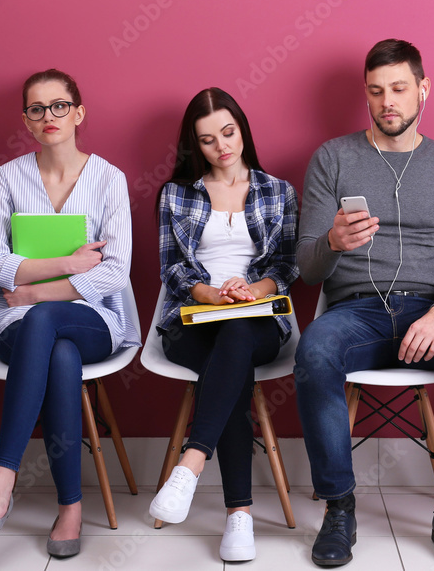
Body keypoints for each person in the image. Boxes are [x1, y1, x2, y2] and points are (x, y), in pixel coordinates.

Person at [295, 39, 434, 569]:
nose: (387, 102)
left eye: (398, 89)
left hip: (431, 311)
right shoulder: (332, 157)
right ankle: (339, 507)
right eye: (376, 92)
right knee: (314, 353)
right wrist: (333, 242)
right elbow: (307, 269)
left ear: (422, 89)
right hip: (357, 312)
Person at [0, 69, 137, 559]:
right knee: (59, 357)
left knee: (46, 321)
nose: (49, 117)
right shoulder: (9, 177)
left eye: (59, 106)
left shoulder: (109, 179)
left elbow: (115, 275)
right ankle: (71, 507)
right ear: (26, 121)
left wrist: (39, 290)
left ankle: (3, 476)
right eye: (37, 109)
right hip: (15, 324)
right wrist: (67, 263)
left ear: (78, 112)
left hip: (93, 319)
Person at [147, 87, 299, 561]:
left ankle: (190, 464)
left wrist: (253, 290)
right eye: (208, 140)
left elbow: (287, 264)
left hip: (257, 316)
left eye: (228, 133)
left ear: (242, 130)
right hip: (193, 317)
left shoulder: (279, 191)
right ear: (195, 145)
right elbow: (171, 267)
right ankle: (240, 517)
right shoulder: (176, 194)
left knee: (235, 337)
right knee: (229, 363)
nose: (222, 147)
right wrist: (210, 294)